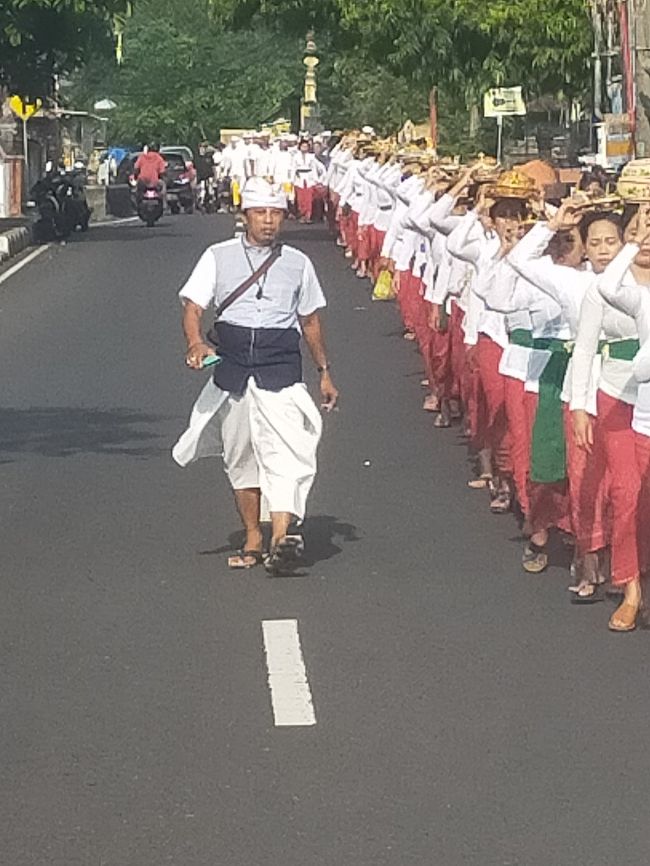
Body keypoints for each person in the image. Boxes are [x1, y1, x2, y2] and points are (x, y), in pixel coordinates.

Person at [173, 178, 339, 575]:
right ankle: (253, 537)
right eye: (260, 213)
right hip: (233, 372)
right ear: (244, 215)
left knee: (287, 453)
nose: (268, 221)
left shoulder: (299, 263)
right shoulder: (217, 256)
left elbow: (310, 320)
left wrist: (324, 372)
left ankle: (282, 539)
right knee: (241, 457)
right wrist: (196, 344)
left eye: (275, 214)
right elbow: (193, 307)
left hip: (280, 369)